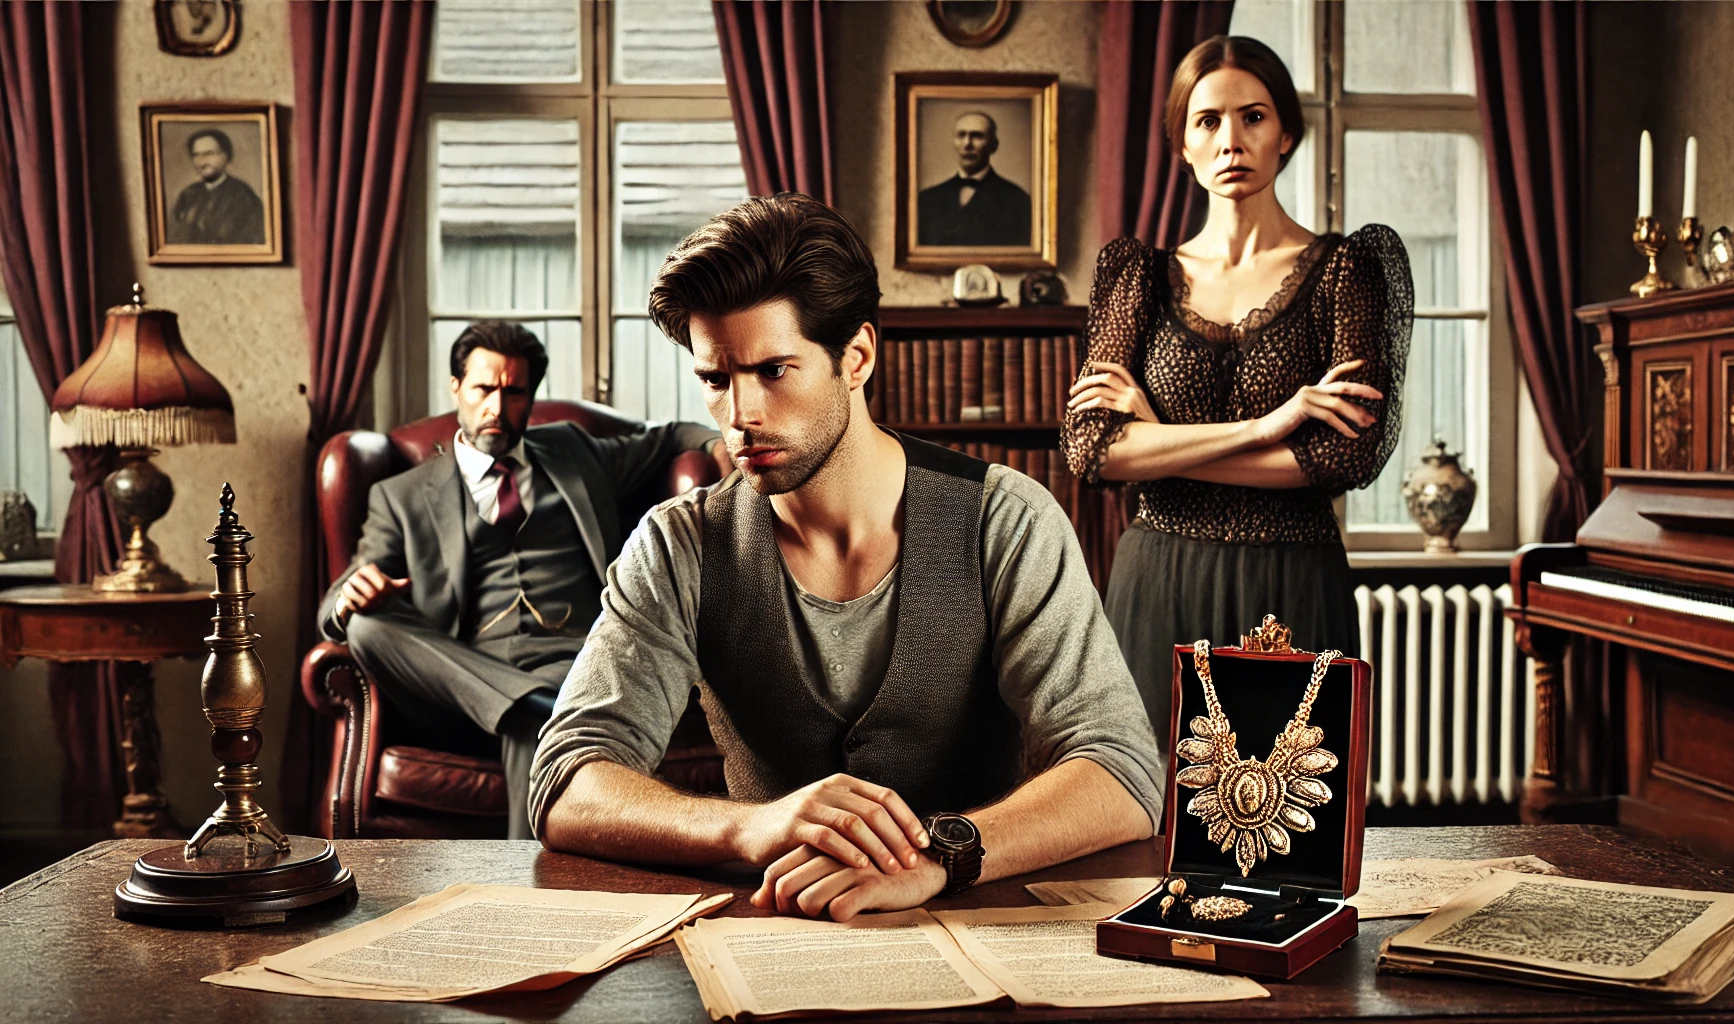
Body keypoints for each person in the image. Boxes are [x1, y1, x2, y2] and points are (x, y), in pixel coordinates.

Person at [531, 194, 1159, 922]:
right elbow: (564, 781)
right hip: (771, 932)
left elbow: (1121, 770)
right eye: (715, 379)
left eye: (773, 371)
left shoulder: (1006, 520)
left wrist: (938, 855)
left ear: (855, 357)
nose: (741, 416)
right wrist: (745, 826)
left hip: (981, 923)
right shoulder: (680, 546)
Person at [1061, 36, 1413, 749]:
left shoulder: (1350, 271)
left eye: (1252, 117)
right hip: (1156, 578)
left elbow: (1342, 460)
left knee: (1293, 830)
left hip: (1292, 577)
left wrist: (1155, 439)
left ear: (1286, 133)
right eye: (1208, 121)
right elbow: (1090, 450)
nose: (1230, 141)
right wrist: (1267, 426)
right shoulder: (1136, 276)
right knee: (1145, 823)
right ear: (1182, 144)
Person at [319, 321, 728, 839]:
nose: (496, 405)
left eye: (514, 392)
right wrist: (348, 596)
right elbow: (341, 595)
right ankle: (529, 707)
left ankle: (526, 724)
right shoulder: (401, 494)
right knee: (365, 628)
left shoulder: (575, 453)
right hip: (462, 678)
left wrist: (717, 444)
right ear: (456, 390)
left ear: (530, 397)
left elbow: (671, 435)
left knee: (524, 725)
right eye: (483, 389)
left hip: (578, 666)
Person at [916, 111, 1032, 247]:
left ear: (993, 145)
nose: (967, 144)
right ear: (954, 142)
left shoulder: (1016, 200)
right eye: (961, 135)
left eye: (977, 136)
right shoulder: (927, 199)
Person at [167, 128, 266, 245]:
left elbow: (255, 242)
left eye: (209, 154)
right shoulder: (188, 194)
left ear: (226, 156)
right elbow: (174, 237)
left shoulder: (244, 195)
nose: (201, 162)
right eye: (196, 155)